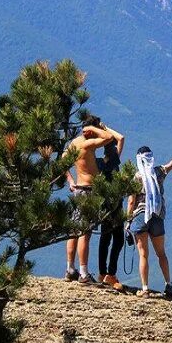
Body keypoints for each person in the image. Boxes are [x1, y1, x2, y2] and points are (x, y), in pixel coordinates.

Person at [126, 146, 172, 298]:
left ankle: (145, 288)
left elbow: (131, 201)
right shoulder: (158, 172)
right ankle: (168, 284)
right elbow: (170, 165)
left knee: (143, 254)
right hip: (157, 215)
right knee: (161, 254)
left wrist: (127, 222)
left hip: (140, 215)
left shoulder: (136, 178)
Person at [64, 116, 114, 284]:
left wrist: (70, 181)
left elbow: (63, 161)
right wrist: (98, 129)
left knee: (74, 230)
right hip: (88, 190)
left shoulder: (74, 143)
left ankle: (70, 269)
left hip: (78, 188)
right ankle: (84, 273)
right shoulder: (87, 143)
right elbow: (109, 138)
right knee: (85, 232)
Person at [96, 125, 126, 291]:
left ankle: (102, 273)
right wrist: (104, 128)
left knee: (105, 239)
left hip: (103, 203)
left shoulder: (98, 163)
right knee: (118, 239)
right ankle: (111, 274)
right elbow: (121, 137)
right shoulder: (114, 161)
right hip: (115, 204)